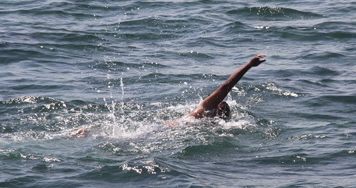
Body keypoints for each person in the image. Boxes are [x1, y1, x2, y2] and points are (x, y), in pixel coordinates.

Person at [71, 53, 266, 136]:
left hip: (164, 131)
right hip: (162, 131)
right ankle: (89, 134)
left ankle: (90, 134)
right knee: (127, 139)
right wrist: (248, 66)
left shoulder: (210, 122)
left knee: (128, 137)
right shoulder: (205, 110)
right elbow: (226, 87)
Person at [187, 53, 266, 120]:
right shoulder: (214, 122)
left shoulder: (205, 109)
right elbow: (226, 87)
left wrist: (249, 65)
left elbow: (226, 86)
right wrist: (249, 65)